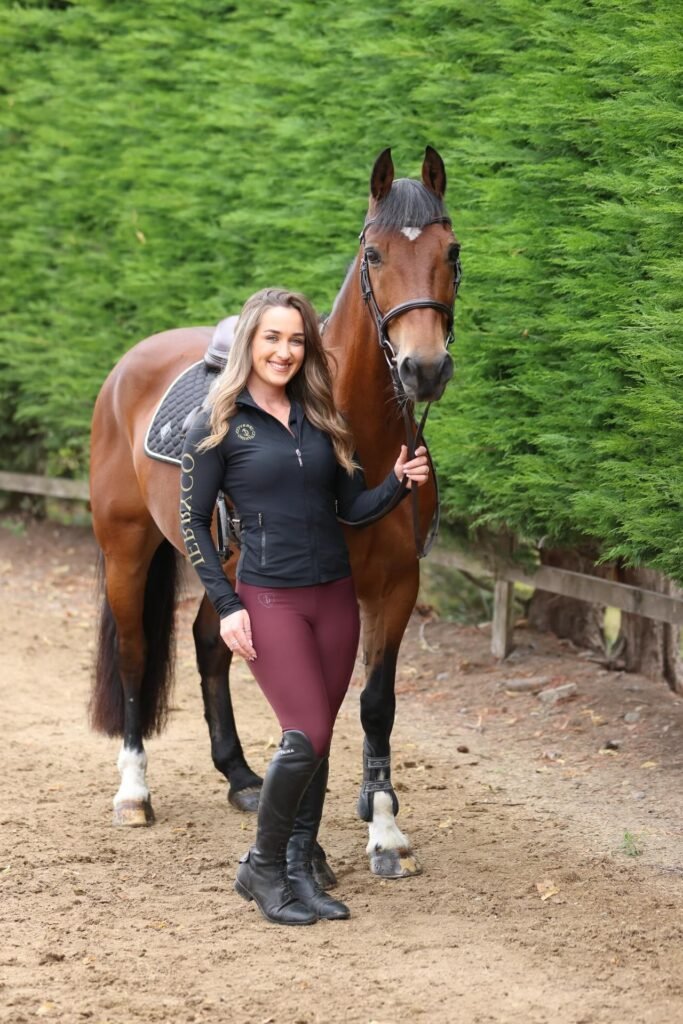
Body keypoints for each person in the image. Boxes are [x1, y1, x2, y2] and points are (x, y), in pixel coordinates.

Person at [180, 287, 429, 926]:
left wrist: (398, 484)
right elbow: (194, 524)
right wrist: (227, 604)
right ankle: (261, 867)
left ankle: (298, 870)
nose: (284, 351)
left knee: (318, 740)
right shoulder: (216, 421)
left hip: (334, 598)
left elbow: (352, 508)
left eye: (296, 340)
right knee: (307, 734)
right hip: (269, 599)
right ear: (250, 342)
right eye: (272, 338)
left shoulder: (323, 418)